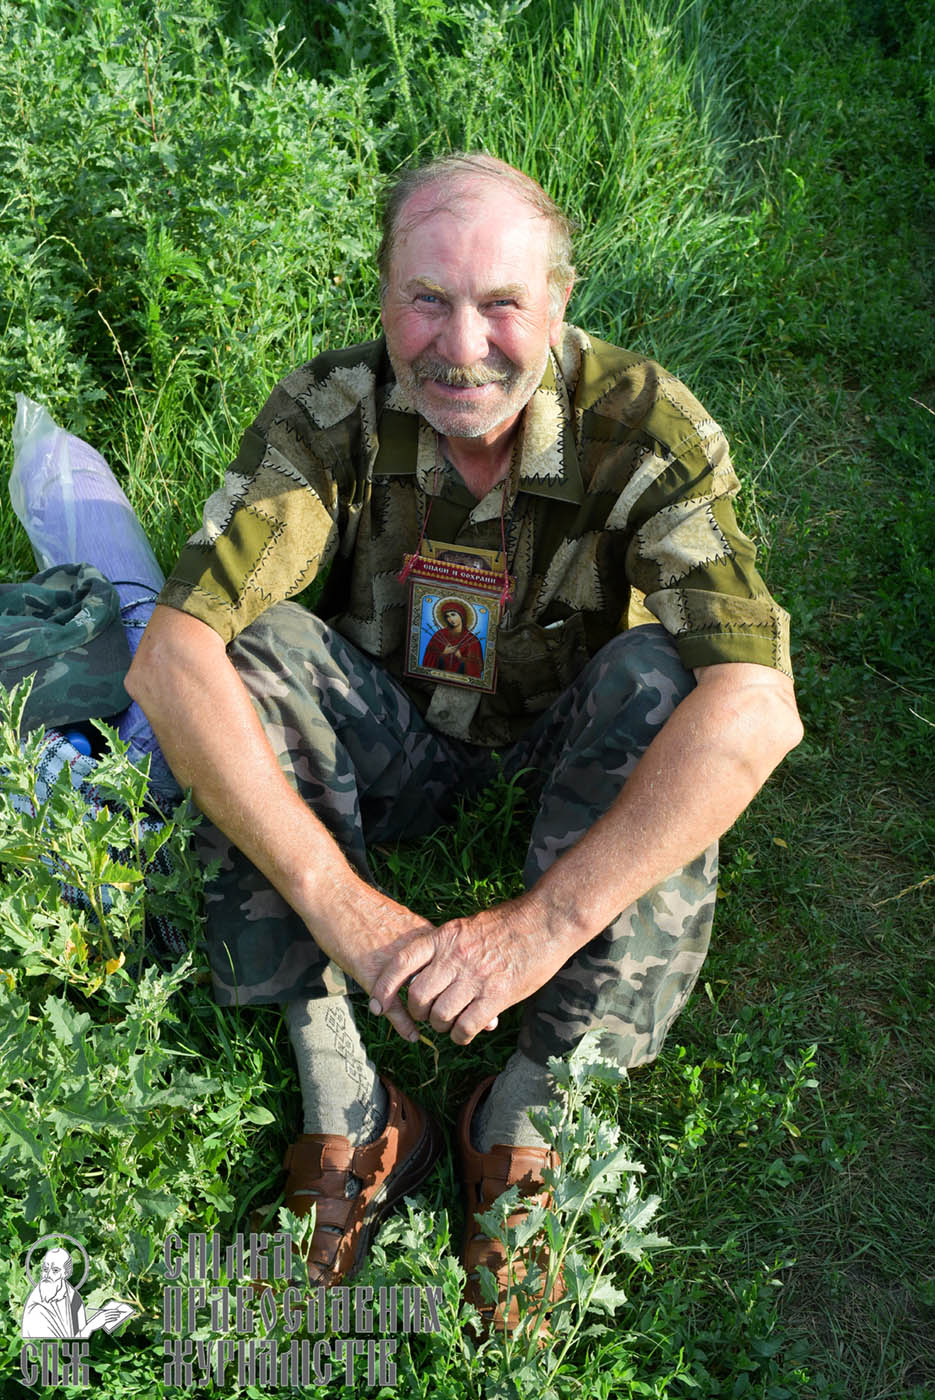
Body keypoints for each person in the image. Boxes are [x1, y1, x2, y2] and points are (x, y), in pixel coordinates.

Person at [126, 152, 802, 1330]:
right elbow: (167, 658)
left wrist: (536, 927)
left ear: (558, 299)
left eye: (500, 303)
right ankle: (351, 1100)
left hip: (558, 738)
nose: (460, 343)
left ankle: (518, 1122)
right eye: (424, 298)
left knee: (664, 687)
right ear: (381, 295)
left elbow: (755, 704)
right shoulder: (328, 413)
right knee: (248, 655)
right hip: (389, 739)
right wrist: (345, 905)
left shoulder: (642, 428)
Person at [21, 1247, 126, 1340]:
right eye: (45, 1269)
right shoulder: (35, 1306)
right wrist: (93, 1324)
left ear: (66, 1273)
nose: (48, 1275)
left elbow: (76, 1335)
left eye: (55, 1270)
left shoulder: (74, 1298)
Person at [421, 600, 484, 677]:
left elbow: (477, 666)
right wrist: (443, 653)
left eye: (453, 614)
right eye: (447, 616)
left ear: (462, 615)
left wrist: (461, 657)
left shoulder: (472, 639)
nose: (450, 619)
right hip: (438, 676)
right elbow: (428, 659)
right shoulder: (440, 635)